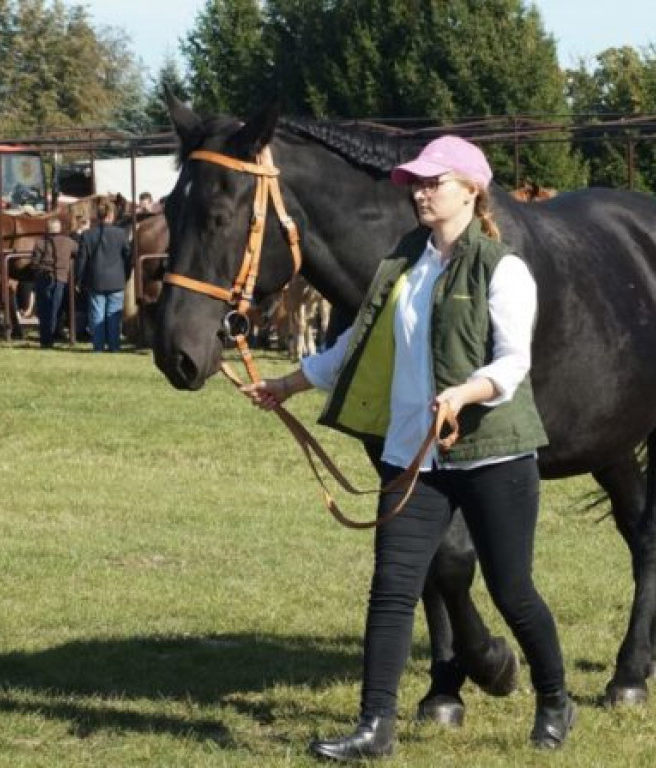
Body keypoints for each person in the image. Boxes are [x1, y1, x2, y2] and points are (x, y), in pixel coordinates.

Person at [242, 135, 573, 760]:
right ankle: (375, 727)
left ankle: (556, 699)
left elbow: (513, 364)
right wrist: (287, 385)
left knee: (512, 592)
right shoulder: (403, 262)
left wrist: (465, 393)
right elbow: (358, 344)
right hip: (413, 456)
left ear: (470, 191)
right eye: (416, 184)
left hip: (492, 455)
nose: (420, 193)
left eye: (433, 183)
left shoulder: (502, 269)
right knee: (392, 589)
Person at [75, 200, 131, 352]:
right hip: (117, 280)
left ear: (97, 216)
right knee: (114, 315)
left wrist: (78, 279)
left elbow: (81, 260)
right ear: (111, 215)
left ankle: (98, 347)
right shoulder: (121, 234)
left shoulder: (87, 235)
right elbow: (128, 257)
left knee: (97, 314)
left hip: (95, 280)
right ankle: (114, 346)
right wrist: (125, 275)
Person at [31, 218, 77, 348]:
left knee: (44, 310)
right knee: (55, 309)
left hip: (44, 278)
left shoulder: (40, 243)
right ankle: (54, 334)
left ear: (47, 229)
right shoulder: (68, 242)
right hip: (60, 278)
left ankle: (45, 339)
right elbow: (79, 251)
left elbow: (34, 263)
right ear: (60, 228)